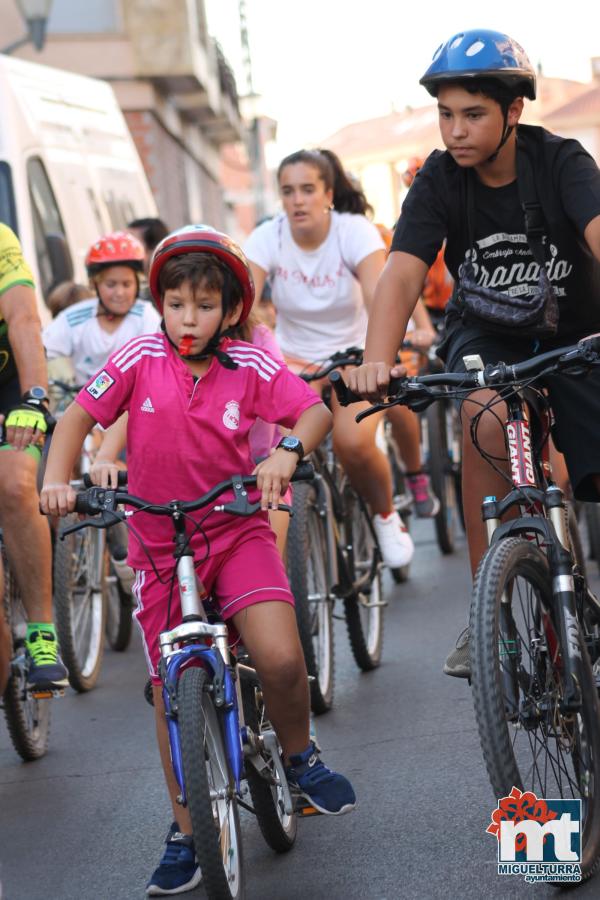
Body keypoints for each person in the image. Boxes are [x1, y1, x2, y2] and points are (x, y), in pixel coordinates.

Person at [40, 225, 356, 896]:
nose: (189, 318)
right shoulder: (137, 356)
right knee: (167, 689)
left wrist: (286, 453)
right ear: (161, 303)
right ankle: (186, 830)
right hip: (156, 541)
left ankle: (300, 757)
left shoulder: (249, 365)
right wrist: (57, 479)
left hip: (234, 529)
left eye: (205, 306)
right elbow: (75, 421)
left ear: (231, 310)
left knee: (277, 655)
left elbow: (313, 414)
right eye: (177, 303)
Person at [346, 28, 600, 678]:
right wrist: (380, 358)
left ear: (514, 111)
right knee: (484, 415)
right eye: (446, 114)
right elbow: (404, 270)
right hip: (485, 334)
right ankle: (489, 613)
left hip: (577, 332)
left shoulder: (562, 160)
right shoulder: (438, 179)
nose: (455, 130)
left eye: (473, 114)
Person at [244, 148, 438, 569]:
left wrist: (379, 355)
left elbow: (377, 293)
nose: (297, 200)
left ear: (328, 193)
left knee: (353, 442)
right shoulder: (267, 237)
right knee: (268, 451)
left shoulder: (353, 231)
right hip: (292, 361)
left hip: (354, 355)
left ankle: (386, 516)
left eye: (308, 190)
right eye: (288, 191)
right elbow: (244, 303)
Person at [0, 223, 67, 691]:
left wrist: (34, 398)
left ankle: (43, 631)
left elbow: (23, 316)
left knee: (15, 483)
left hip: (9, 388)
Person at [42, 231, 161, 385]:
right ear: (94, 284)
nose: (119, 293)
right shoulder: (74, 318)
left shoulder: (145, 316)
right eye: (111, 285)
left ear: (138, 284)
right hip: (84, 405)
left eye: (127, 284)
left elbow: (155, 366)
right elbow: (41, 351)